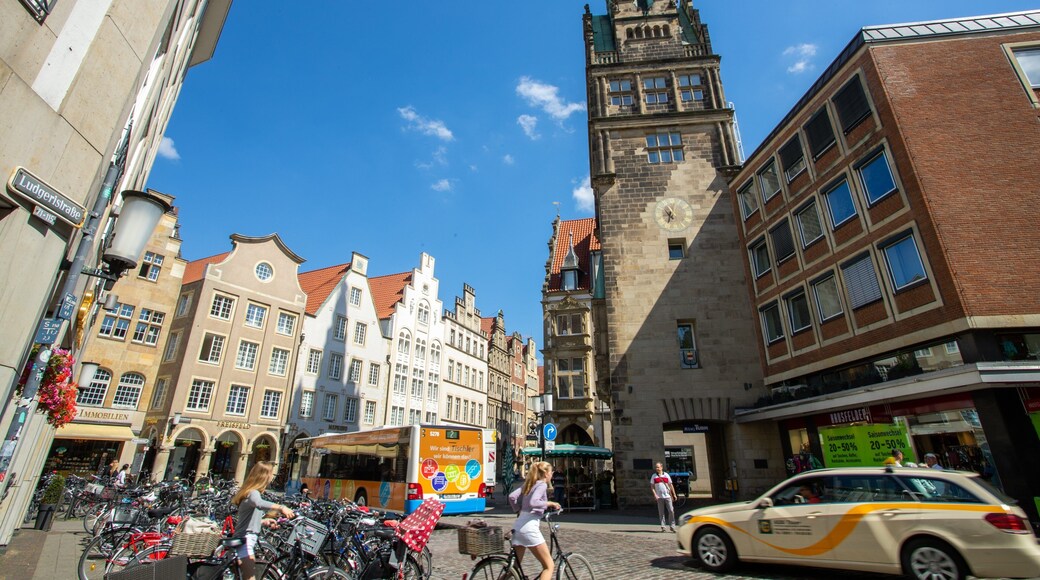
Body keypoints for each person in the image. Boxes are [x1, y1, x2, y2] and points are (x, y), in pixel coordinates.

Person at [232, 462, 295, 580]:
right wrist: (281, 507)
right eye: (271, 474)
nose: (272, 477)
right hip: (245, 542)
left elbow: (247, 520)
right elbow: (259, 504)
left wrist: (263, 521)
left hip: (244, 539)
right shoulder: (253, 493)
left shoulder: (250, 492)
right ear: (265, 476)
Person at [507, 461, 561, 580]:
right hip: (529, 528)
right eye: (551, 471)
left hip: (518, 526)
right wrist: (551, 503)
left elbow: (512, 497)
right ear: (546, 473)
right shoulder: (542, 484)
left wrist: (518, 510)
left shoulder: (529, 483)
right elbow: (534, 502)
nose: (552, 474)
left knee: (514, 569)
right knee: (549, 566)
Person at [651, 462, 677, 532]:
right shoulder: (654, 476)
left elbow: (670, 485)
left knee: (671, 510)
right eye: (656, 467)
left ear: (661, 467)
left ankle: (672, 526)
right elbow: (652, 486)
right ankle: (663, 526)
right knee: (661, 512)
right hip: (659, 497)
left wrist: (674, 494)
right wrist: (655, 495)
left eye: (658, 467)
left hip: (667, 496)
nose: (657, 468)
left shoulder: (666, 475)